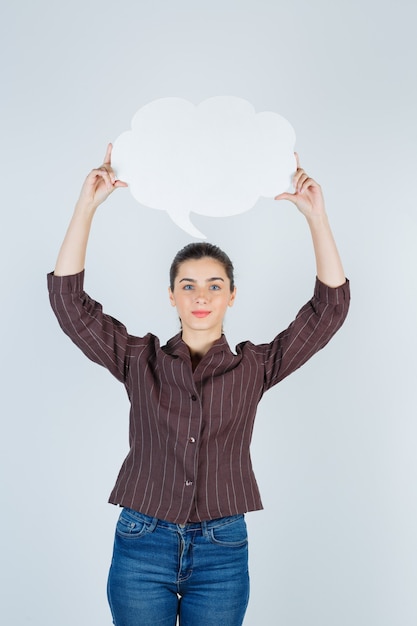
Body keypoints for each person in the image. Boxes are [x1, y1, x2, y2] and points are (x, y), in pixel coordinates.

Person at [47, 144, 350, 626]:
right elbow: (68, 303)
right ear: (172, 296)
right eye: (188, 285)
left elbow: (329, 310)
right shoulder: (136, 358)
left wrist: (317, 218)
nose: (201, 295)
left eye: (214, 284)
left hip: (222, 550)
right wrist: (87, 206)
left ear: (232, 295)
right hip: (142, 542)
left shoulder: (255, 366)